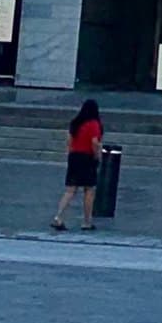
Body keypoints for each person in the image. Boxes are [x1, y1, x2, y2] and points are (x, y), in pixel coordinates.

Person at [50, 98, 103, 231]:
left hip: (74, 157)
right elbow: (95, 142)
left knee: (70, 190)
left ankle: (58, 217)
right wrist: (97, 156)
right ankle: (86, 221)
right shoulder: (94, 124)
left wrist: (71, 152)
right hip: (87, 157)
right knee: (89, 190)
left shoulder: (76, 123)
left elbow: (69, 140)